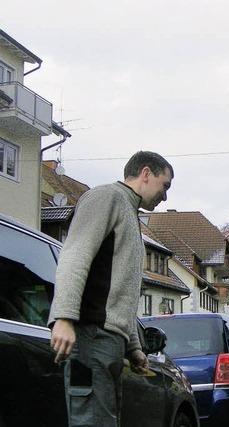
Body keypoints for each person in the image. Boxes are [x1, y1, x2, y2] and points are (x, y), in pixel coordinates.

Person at [48, 151, 174, 427]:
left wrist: (134, 346)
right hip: (90, 338)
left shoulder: (129, 214)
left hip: (108, 343)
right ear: (145, 173)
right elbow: (75, 255)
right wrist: (65, 318)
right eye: (165, 186)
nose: (165, 196)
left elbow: (120, 291)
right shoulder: (106, 197)